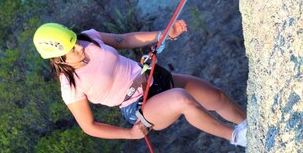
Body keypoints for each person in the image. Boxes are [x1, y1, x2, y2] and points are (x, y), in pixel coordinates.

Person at [33, 22, 247, 145]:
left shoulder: (88, 37)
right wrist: (129, 133)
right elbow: (89, 126)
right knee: (183, 100)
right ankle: (237, 137)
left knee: (216, 96)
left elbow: (123, 40)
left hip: (152, 77)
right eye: (71, 49)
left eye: (74, 41)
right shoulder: (70, 86)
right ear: (58, 59)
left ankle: (251, 124)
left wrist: (163, 35)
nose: (78, 47)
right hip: (140, 107)